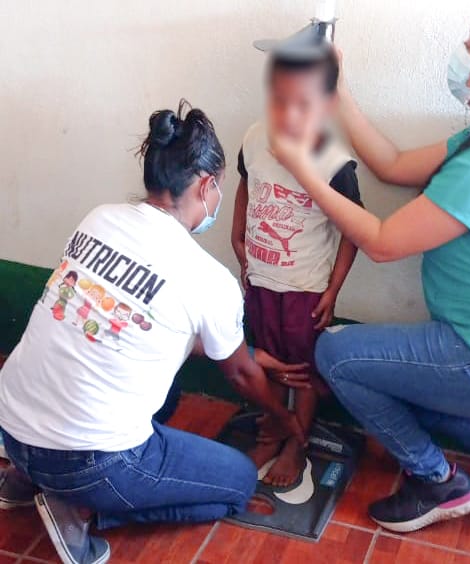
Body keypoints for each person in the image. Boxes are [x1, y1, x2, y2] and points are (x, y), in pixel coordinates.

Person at [270, 2, 470, 532]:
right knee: (390, 371)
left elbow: (381, 243)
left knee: (337, 357)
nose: (459, 49)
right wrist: (337, 90)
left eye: (469, 42)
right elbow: (392, 165)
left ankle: (436, 479)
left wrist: (303, 168)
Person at [0, 102, 307, 564]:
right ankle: (76, 507)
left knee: (166, 392)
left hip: (11, 425)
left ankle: (24, 480)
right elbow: (241, 376)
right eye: (219, 188)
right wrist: (284, 419)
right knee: (239, 482)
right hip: (88, 462)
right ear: (205, 186)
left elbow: (142, 323)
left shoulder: (99, 218)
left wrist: (249, 354)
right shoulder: (208, 277)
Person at [232, 47, 362, 487]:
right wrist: (238, 237)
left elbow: (354, 229)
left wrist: (333, 290)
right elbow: (246, 184)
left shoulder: (334, 161)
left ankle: (297, 442)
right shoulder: (254, 138)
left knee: (303, 369)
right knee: (268, 361)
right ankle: (273, 431)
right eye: (278, 99)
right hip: (260, 280)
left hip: (306, 287)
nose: (287, 114)